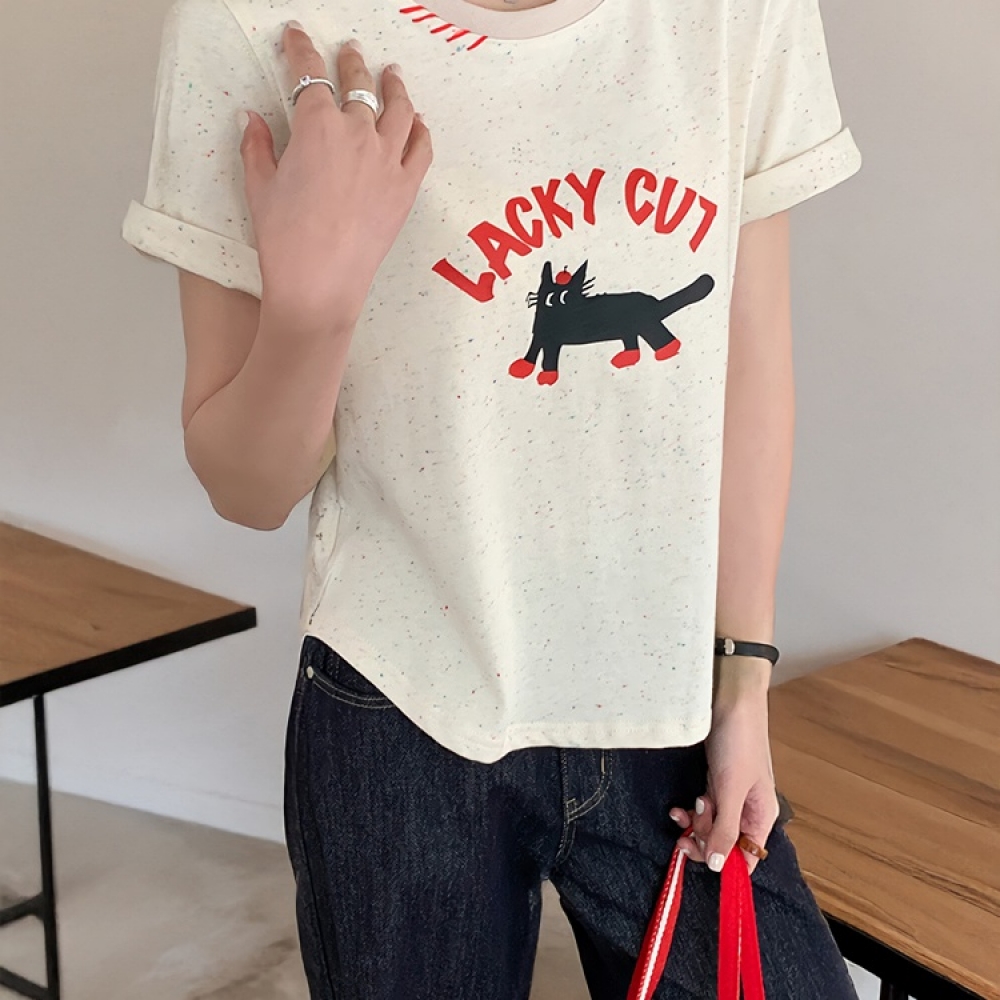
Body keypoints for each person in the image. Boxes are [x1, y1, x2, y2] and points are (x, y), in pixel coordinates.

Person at [121, 0, 863, 995]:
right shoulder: (251, 24)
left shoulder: (738, 14)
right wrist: (313, 303)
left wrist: (743, 685)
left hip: (665, 708)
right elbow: (247, 490)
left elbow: (747, 365)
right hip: (401, 704)